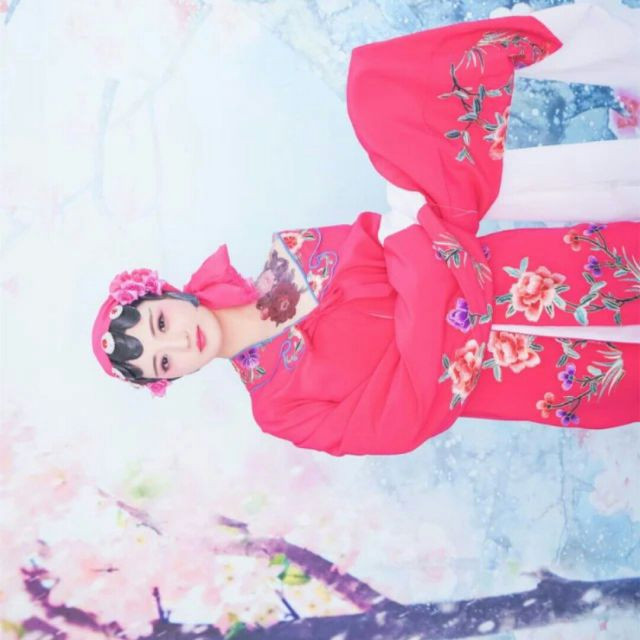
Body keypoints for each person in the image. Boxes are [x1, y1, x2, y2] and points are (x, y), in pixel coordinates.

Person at [92, 2, 639, 456]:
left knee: (379, 89)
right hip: (511, 374)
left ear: (170, 295)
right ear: (175, 377)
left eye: (161, 322)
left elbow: (409, 241)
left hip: (529, 275)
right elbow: (400, 422)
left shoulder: (296, 255)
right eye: (165, 360)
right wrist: (430, 293)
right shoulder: (279, 409)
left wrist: (423, 313)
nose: (180, 341)